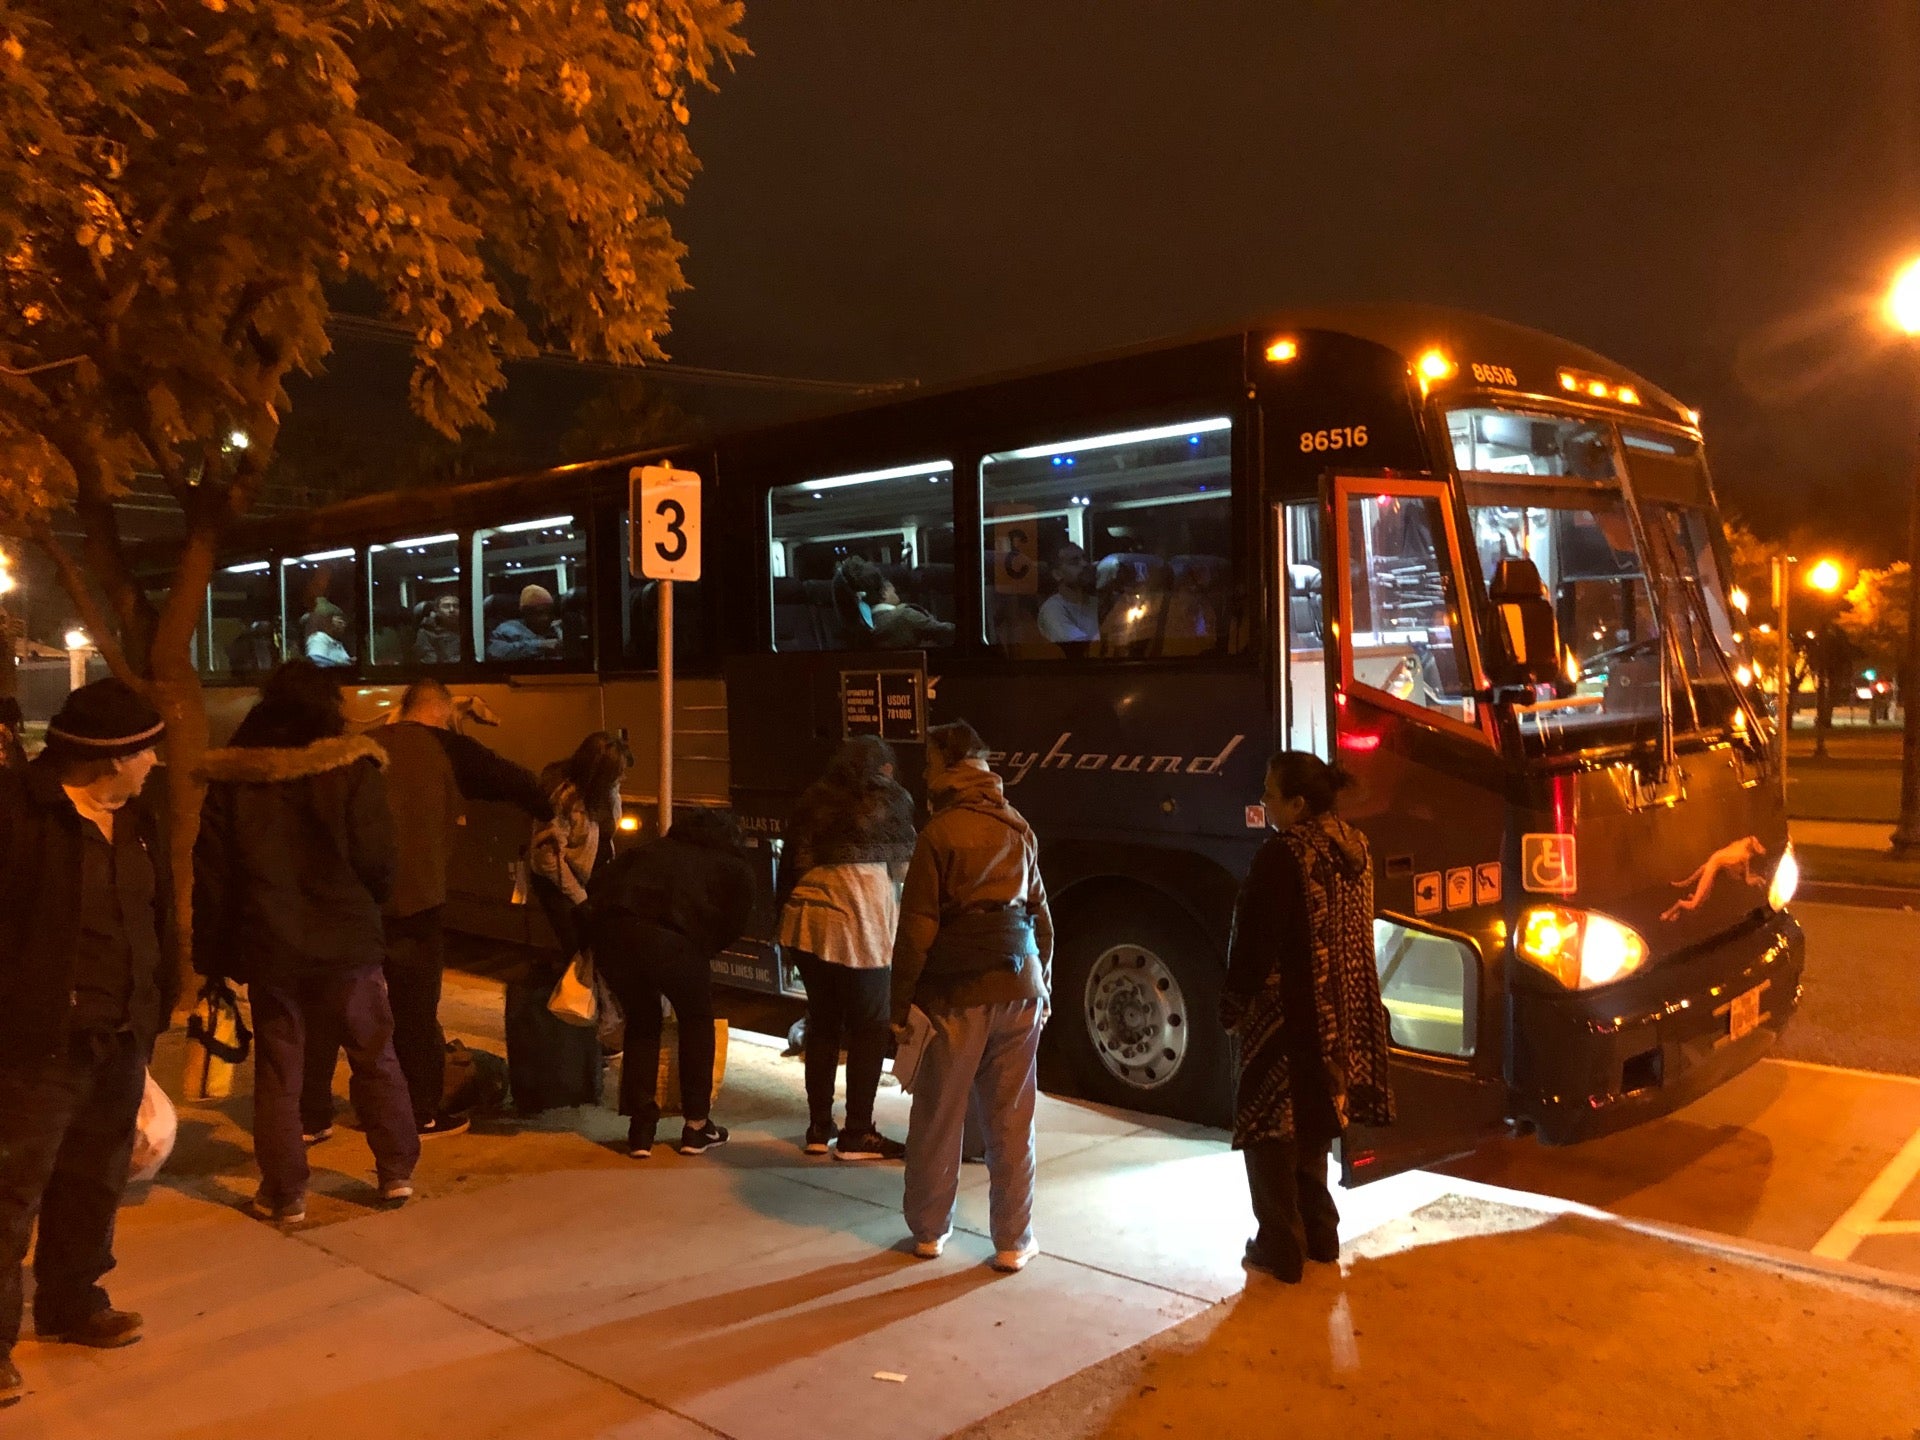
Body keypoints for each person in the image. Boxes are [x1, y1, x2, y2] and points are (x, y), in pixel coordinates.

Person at [0, 680, 175, 1405]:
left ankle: (74, 1304)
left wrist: (157, 1005)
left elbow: (156, 915)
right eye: (146, 751)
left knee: (96, 1180)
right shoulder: (20, 815)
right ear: (111, 759)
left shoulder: (135, 819)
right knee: (10, 1197)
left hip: (121, 1033)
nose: (155, 763)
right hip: (37, 1045)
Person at [193, 660, 418, 1223]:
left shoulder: (237, 778)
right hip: (348, 943)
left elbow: (213, 876)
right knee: (374, 1054)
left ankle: (285, 1191)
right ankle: (395, 1171)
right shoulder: (352, 767)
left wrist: (213, 958)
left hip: (272, 945)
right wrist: (369, 908)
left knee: (280, 1070)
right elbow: (379, 859)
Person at [300, 679, 553, 1141]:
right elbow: (520, 784)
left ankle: (312, 1114)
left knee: (335, 1004)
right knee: (415, 1011)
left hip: (354, 902)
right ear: (441, 714)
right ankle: (420, 1113)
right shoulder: (447, 747)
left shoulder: (361, 746)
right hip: (416, 902)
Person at [1221, 750, 1394, 1283]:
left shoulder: (1285, 853)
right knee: (1316, 1125)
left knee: (1270, 1130)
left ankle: (1280, 1244)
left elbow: (1255, 939)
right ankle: (1320, 1234)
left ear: (1297, 803)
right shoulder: (1354, 845)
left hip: (1288, 1015)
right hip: (1340, 1013)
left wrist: (1233, 1001)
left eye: (1270, 795)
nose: (1264, 803)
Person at [891, 720, 1053, 1272]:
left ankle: (930, 1232)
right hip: (1021, 985)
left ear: (948, 763)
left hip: (956, 990)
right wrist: (1043, 983)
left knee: (939, 1113)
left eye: (929, 759)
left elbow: (917, 928)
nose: (923, 771)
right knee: (1012, 1118)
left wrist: (900, 1005)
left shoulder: (938, 834)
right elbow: (1041, 919)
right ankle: (1013, 1241)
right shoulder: (1018, 828)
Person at [777, 736, 918, 1160]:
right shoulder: (891, 800)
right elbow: (904, 869)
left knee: (822, 1022)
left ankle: (819, 1128)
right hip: (858, 919)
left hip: (806, 918)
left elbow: (791, 863)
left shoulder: (814, 798)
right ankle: (858, 1132)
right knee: (870, 1026)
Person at [589, 808, 754, 1158]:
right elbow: (736, 922)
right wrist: (702, 946)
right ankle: (696, 1128)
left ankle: (640, 1133)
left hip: (614, 937)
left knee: (643, 1021)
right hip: (674, 944)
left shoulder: (649, 851)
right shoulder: (732, 866)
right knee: (696, 1020)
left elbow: (598, 885)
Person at [505, 731, 631, 1115]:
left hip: (588, 878)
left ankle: (595, 1036)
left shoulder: (598, 794)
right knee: (582, 951)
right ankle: (587, 1033)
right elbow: (546, 862)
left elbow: (613, 822)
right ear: (597, 773)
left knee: (599, 950)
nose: (620, 783)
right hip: (561, 885)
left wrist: (612, 793)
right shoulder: (561, 800)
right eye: (616, 777)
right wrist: (580, 900)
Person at [837, 557, 954, 649]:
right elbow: (949, 632)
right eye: (890, 585)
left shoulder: (865, 627)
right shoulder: (905, 616)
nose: (895, 589)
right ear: (883, 593)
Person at [1037, 543, 1099, 646]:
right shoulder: (1053, 609)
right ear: (1057, 574)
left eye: (1084, 558)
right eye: (1074, 562)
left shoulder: (1097, 602)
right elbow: (1080, 648)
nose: (1084, 564)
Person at [487, 584, 564, 661]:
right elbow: (495, 652)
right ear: (525, 613)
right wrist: (540, 645)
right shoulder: (508, 629)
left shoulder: (557, 628)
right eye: (539, 613)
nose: (546, 618)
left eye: (549, 612)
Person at [413, 594, 463, 665]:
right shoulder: (426, 631)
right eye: (446, 606)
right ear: (437, 610)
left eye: (456, 606)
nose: (452, 610)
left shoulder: (469, 627)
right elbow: (430, 661)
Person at [302, 598, 352, 667]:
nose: (344, 625)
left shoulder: (335, 642)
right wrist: (343, 665)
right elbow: (317, 661)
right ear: (327, 622)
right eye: (339, 621)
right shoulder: (319, 638)